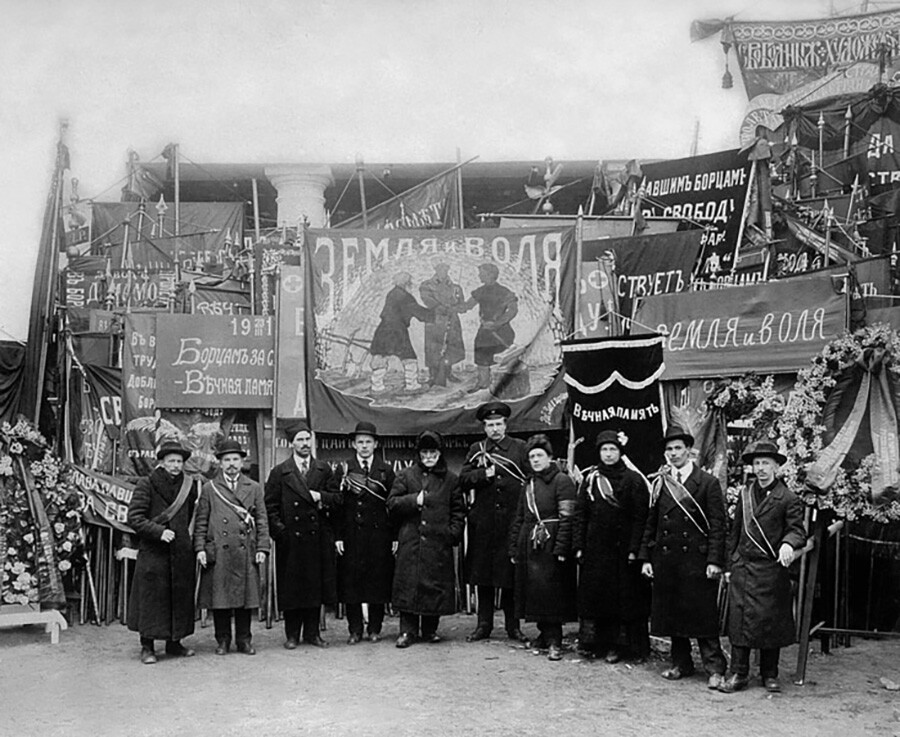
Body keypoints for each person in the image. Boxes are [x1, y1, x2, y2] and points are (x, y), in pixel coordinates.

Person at [638, 426, 728, 689]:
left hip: (697, 562)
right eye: (669, 449)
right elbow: (651, 524)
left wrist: (715, 560)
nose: (674, 453)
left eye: (678, 448)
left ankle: (715, 668)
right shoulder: (661, 483)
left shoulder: (707, 483)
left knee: (703, 616)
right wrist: (646, 558)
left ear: (689, 450)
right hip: (667, 560)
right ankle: (681, 663)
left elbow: (718, 525)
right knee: (673, 614)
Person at [719, 439, 806, 694]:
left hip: (771, 569)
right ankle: (739, 673)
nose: (761, 469)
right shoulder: (745, 495)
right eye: (757, 463)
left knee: (770, 622)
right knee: (739, 623)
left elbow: (796, 530)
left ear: (776, 466)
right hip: (743, 568)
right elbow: (733, 533)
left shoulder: (787, 498)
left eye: (766, 463)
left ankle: (770, 673)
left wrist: (789, 544)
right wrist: (728, 564)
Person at [573, 429, 650, 663]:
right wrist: (579, 545)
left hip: (623, 550)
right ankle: (597, 644)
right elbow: (580, 515)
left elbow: (641, 518)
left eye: (612, 449)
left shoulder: (634, 480)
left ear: (620, 452)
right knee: (598, 598)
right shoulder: (590, 480)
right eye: (604, 450)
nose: (608, 454)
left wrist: (634, 549)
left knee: (624, 601)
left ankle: (622, 647)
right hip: (596, 549)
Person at [265, 421, 341, 649]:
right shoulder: (280, 472)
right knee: (292, 588)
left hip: (316, 539)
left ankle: (313, 633)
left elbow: (337, 500)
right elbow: (270, 507)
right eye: (300, 440)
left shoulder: (323, 469)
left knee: (314, 587)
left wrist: (321, 497)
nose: (305, 444)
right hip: (291, 540)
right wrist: (281, 533)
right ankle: (291, 635)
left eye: (308, 439)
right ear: (291, 443)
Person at [388, 431, 466, 648]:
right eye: (425, 452)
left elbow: (459, 511)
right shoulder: (405, 475)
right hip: (412, 542)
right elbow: (392, 503)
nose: (429, 456)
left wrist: (452, 534)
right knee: (409, 586)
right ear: (419, 454)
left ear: (439, 453)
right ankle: (407, 632)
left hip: (437, 543)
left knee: (434, 586)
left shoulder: (451, 479)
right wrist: (415, 500)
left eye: (433, 452)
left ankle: (430, 630)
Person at [459, 401, 528, 643]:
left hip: (511, 522)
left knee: (510, 577)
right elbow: (463, 479)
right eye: (490, 425)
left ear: (506, 425)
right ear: (484, 427)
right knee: (483, 576)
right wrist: (483, 475)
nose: (495, 429)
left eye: (499, 424)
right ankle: (483, 625)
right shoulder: (477, 449)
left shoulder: (520, 448)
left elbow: (529, 479)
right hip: (485, 524)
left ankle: (513, 627)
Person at [194, 439, 270, 655]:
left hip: (245, 550)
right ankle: (223, 640)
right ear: (219, 463)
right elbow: (201, 521)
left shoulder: (254, 487)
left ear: (242, 461)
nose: (231, 464)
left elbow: (262, 519)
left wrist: (262, 548)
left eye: (235, 459)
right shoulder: (210, 489)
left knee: (245, 599)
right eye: (226, 459)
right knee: (221, 599)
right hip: (219, 550)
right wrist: (200, 548)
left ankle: (244, 640)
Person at [127, 440, 198, 665]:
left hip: (180, 553)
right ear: (162, 462)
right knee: (151, 600)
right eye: (171, 461)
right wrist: (159, 532)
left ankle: (174, 643)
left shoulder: (189, 485)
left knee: (178, 599)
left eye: (179, 461)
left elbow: (190, 516)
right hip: (154, 553)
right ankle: (147, 647)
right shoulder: (146, 484)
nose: (176, 466)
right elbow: (134, 518)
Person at [508, 434, 577, 661]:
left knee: (553, 593)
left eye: (540, 455)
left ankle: (555, 640)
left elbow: (568, 518)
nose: (536, 460)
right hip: (531, 546)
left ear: (550, 457)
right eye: (532, 456)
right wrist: (514, 548)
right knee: (535, 593)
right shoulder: (528, 484)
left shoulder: (562, 481)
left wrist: (561, 548)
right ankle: (542, 634)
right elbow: (520, 517)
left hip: (552, 543)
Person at [334, 421, 397, 644]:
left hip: (379, 536)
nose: (364, 446)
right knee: (352, 583)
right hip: (352, 535)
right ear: (353, 444)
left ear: (375, 444)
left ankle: (375, 629)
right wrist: (339, 536)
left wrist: (394, 537)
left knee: (376, 582)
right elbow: (338, 506)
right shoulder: (344, 469)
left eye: (368, 442)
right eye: (360, 442)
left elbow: (393, 505)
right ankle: (355, 629)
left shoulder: (386, 471)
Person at [369, 271, 434, 393]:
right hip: (397, 331)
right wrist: (433, 313)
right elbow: (418, 312)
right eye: (410, 283)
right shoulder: (405, 296)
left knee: (380, 356)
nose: (411, 285)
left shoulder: (391, 293)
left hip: (382, 329)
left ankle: (376, 386)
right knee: (409, 357)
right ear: (406, 283)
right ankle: (412, 385)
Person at [463, 262, 518, 393]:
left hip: (502, 332)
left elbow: (513, 310)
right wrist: (455, 303)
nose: (479, 275)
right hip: (484, 332)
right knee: (481, 355)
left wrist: (497, 323)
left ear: (490, 274)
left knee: (506, 357)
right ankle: (483, 383)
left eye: (481, 273)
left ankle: (506, 386)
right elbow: (466, 306)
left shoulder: (504, 292)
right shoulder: (480, 291)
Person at [419, 262, 466, 386]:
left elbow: (462, 304)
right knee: (433, 348)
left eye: (445, 269)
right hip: (434, 320)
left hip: (452, 320)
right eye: (440, 268)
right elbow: (427, 300)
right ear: (435, 269)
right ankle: (432, 376)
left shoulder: (456, 287)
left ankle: (448, 373)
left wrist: (459, 307)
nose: (443, 271)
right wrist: (443, 308)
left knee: (451, 346)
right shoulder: (426, 285)